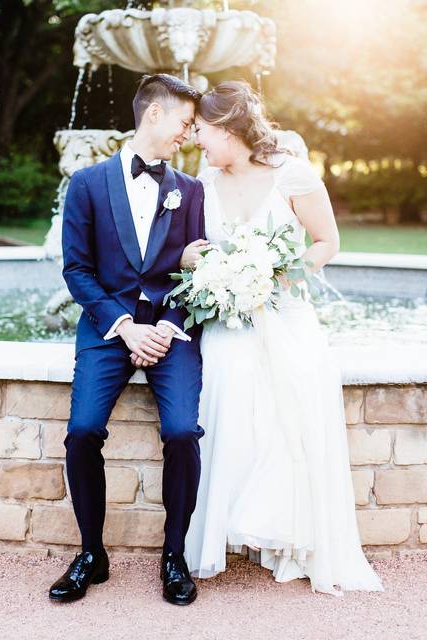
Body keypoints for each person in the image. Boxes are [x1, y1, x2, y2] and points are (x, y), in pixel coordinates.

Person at [177, 80, 385, 596]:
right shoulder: (206, 179)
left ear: (226, 129)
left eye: (201, 130)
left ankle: (284, 531)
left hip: (285, 312)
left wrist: (282, 275)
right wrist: (199, 265)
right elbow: (198, 249)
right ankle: (232, 522)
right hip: (230, 317)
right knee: (226, 372)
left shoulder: (292, 172)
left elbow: (327, 241)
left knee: (292, 386)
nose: (196, 140)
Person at [49, 73, 206, 606]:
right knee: (83, 430)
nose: (189, 132)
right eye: (185, 122)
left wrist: (164, 325)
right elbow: (77, 271)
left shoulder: (191, 191)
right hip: (107, 329)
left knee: (183, 430)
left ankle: (175, 554)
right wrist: (124, 326)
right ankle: (91, 553)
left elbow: (197, 274)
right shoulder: (87, 184)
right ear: (154, 115)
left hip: (170, 332)